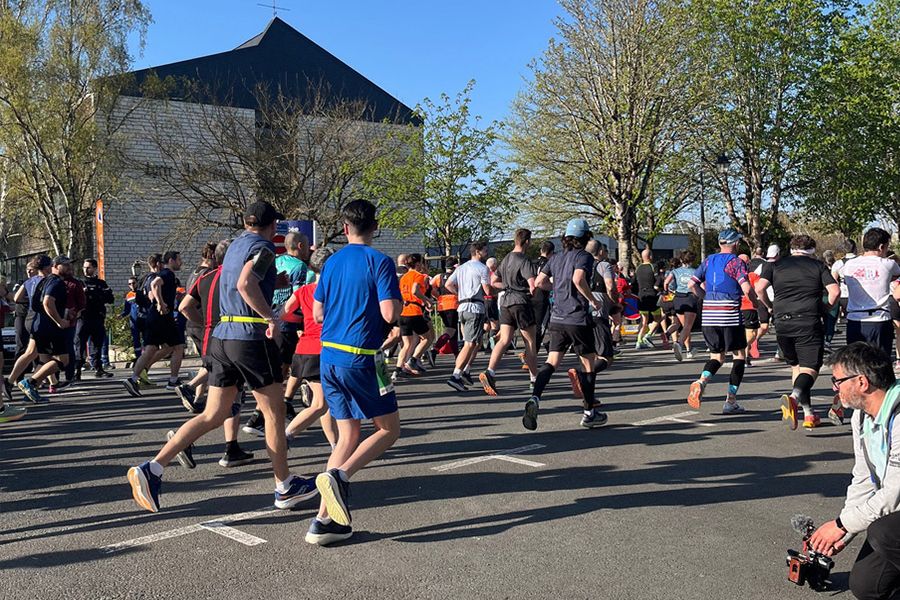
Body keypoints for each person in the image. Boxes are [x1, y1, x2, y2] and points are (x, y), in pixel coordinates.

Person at [127, 201, 316, 514]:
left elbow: (237, 281)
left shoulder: (235, 247)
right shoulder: (265, 248)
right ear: (272, 226)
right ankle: (284, 486)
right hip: (250, 337)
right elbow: (246, 284)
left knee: (213, 414)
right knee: (274, 413)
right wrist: (270, 317)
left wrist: (271, 284)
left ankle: (152, 468)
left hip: (222, 337)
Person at [306, 199, 402, 546]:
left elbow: (317, 313)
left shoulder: (331, 263)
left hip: (329, 356)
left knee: (347, 436)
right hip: (364, 357)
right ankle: (342, 477)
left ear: (345, 228)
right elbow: (390, 313)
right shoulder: (380, 261)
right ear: (374, 226)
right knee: (389, 430)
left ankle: (323, 520)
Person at [808, 342, 900, 600]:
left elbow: (894, 493)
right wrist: (844, 532)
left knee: (885, 533)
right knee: (867, 586)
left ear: (862, 382)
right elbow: (863, 479)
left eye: (837, 381)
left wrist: (839, 525)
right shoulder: (862, 416)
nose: (834, 387)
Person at [522, 218, 607, 431]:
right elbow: (579, 280)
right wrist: (592, 299)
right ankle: (589, 413)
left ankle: (535, 398)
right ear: (586, 237)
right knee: (588, 365)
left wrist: (558, 288)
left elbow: (540, 282)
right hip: (577, 318)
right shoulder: (584, 257)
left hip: (557, 318)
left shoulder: (556, 258)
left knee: (551, 362)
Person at [176, 238, 254, 468]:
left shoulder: (204, 278)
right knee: (222, 406)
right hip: (231, 340)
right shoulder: (233, 278)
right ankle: (185, 440)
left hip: (212, 340)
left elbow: (183, 307)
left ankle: (231, 447)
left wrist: (204, 323)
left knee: (231, 400)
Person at [756, 235, 840, 429]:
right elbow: (835, 291)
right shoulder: (818, 266)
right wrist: (826, 309)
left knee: (797, 367)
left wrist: (770, 307)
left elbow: (759, 288)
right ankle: (794, 398)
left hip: (782, 322)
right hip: (808, 320)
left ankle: (809, 414)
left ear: (791, 248)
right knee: (811, 367)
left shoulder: (774, 265)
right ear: (812, 250)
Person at [686, 229, 757, 414]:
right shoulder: (736, 262)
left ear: (719, 244)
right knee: (739, 355)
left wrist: (704, 298)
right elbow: (747, 288)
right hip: (729, 313)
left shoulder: (709, 260)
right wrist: (757, 303)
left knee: (716, 357)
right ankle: (730, 400)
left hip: (709, 314)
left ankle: (701, 381)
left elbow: (692, 284)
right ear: (736, 244)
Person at [281, 246, 338, 449]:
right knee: (320, 404)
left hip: (303, 348)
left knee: (326, 404)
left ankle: (335, 444)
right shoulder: (333, 291)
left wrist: (302, 320)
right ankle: (285, 436)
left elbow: (285, 312)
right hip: (321, 351)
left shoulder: (303, 290)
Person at [480, 229, 539, 396]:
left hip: (505, 302)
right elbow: (533, 284)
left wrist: (506, 286)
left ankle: (490, 372)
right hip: (521, 302)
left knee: (504, 339)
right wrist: (529, 291)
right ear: (527, 241)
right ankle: (534, 379)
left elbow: (493, 281)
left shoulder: (506, 258)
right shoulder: (524, 259)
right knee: (530, 343)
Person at [123, 251, 186, 395]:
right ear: (171, 260)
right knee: (178, 347)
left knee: (151, 349)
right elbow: (155, 284)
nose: (181, 262)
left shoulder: (157, 275)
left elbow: (155, 288)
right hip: (163, 317)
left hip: (153, 317)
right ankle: (173, 380)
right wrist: (162, 303)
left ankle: (133, 379)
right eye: (179, 260)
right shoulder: (167, 274)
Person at [16, 256, 73, 404]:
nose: (69, 268)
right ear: (54, 266)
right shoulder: (55, 281)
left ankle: (30, 390)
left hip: (39, 324)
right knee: (63, 360)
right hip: (49, 327)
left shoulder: (43, 280)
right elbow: (47, 302)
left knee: (43, 359)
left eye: (69, 265)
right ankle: (30, 382)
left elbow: (37, 303)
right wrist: (59, 321)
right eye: (65, 265)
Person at [839, 228, 900, 357]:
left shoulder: (848, 265)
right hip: (880, 319)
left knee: (856, 363)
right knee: (880, 363)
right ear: (881, 246)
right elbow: (896, 275)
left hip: (854, 319)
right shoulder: (888, 264)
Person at [444, 242, 492, 392]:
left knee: (475, 342)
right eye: (484, 250)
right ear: (477, 252)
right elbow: (487, 289)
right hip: (475, 307)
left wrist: (459, 294)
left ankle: (465, 370)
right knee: (470, 343)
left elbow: (448, 284)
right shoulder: (483, 268)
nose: (486, 252)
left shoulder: (461, 268)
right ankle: (456, 375)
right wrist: (495, 290)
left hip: (462, 307)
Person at [394, 253, 434, 380]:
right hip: (414, 311)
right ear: (417, 264)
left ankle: (398, 369)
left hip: (403, 312)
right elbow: (415, 290)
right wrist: (426, 300)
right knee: (427, 338)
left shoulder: (403, 277)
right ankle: (413, 359)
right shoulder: (418, 276)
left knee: (407, 344)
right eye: (421, 263)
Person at [75, 258, 115, 379]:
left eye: (88, 267)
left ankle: (98, 368)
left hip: (97, 317)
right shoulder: (79, 283)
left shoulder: (101, 283)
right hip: (83, 318)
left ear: (94, 268)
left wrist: (97, 293)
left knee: (96, 344)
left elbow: (110, 299)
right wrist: (83, 292)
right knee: (79, 344)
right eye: (84, 267)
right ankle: (77, 371)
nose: (86, 270)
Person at [668, 251, 699, 360]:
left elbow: (666, 282)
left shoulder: (675, 271)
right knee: (687, 326)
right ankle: (680, 344)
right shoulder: (695, 271)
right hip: (690, 297)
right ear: (692, 260)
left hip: (678, 298)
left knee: (680, 323)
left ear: (681, 260)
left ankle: (687, 347)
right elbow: (702, 285)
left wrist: (670, 290)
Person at [634, 248, 664, 349]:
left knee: (644, 320)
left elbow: (633, 282)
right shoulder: (653, 266)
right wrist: (657, 287)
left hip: (641, 296)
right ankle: (648, 335)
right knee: (658, 318)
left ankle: (638, 341)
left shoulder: (638, 268)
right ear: (650, 256)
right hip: (652, 296)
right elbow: (658, 279)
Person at [431, 257, 460, 358]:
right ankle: (435, 349)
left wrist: (437, 296)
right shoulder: (456, 276)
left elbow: (430, 286)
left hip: (442, 305)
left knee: (453, 330)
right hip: (453, 304)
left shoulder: (439, 276)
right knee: (451, 330)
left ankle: (457, 354)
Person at [532, 241, 555, 354]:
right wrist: (553, 287)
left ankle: (530, 351)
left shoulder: (532, 263)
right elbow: (550, 281)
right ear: (551, 253)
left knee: (531, 326)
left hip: (530, 297)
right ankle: (532, 354)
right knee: (540, 327)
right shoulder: (549, 264)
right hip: (541, 298)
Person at [739, 254, 761, 368]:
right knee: (751, 334)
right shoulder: (752, 275)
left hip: (739, 307)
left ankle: (745, 357)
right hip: (748, 307)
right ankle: (740, 351)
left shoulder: (734, 276)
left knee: (747, 334)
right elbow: (759, 289)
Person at [831, 239, 858, 323]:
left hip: (844, 295)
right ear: (855, 248)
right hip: (860, 295)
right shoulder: (861, 261)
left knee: (848, 318)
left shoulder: (838, 264)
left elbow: (834, 281)